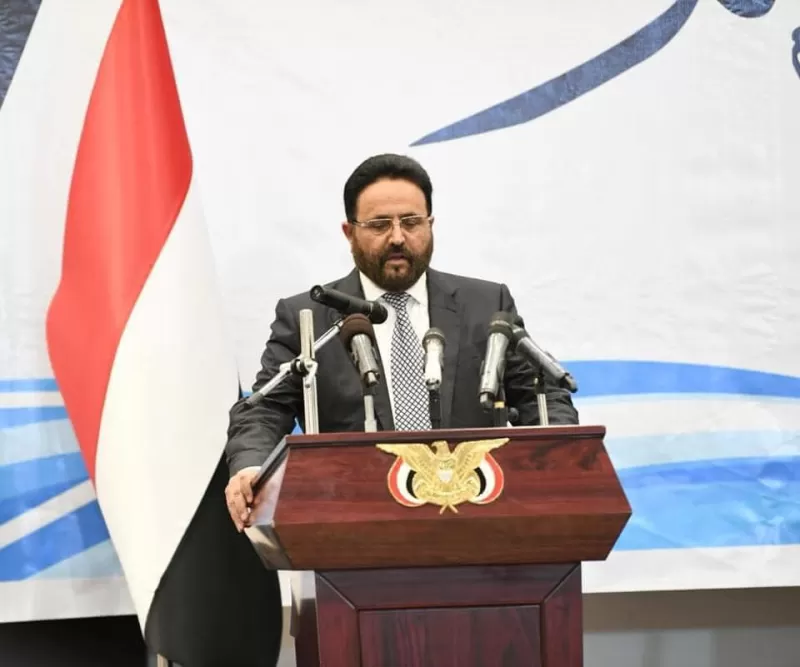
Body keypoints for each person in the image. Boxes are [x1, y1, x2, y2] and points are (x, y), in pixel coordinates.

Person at [224, 153, 579, 529]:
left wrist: (561, 457)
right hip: (353, 522)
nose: (397, 237)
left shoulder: (486, 304)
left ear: (431, 224)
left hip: (478, 516)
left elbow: (538, 395)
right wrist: (252, 466)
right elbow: (265, 408)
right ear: (349, 232)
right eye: (379, 225)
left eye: (411, 222)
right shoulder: (309, 317)